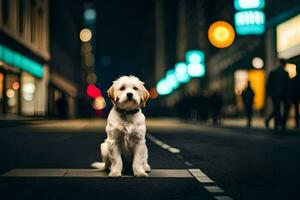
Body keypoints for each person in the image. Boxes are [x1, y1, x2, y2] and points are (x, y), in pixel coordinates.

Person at [266, 59, 290, 131]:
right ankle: (281, 124)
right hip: (283, 94)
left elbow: (268, 85)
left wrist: (269, 94)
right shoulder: (285, 73)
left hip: (275, 94)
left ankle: (277, 124)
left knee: (277, 109)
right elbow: (287, 86)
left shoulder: (273, 73)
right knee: (282, 109)